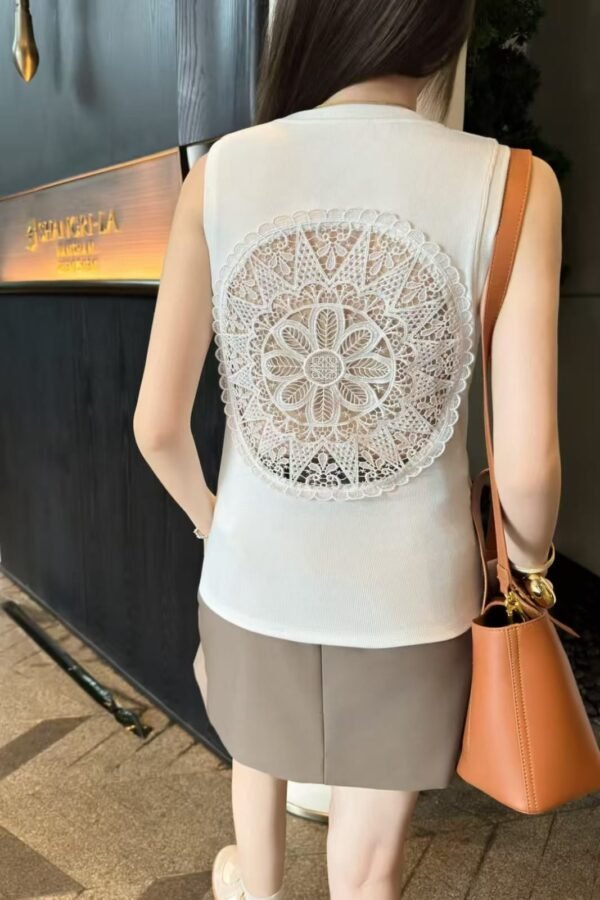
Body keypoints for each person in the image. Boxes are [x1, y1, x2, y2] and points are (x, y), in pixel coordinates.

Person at [133, 0, 562, 896]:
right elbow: (526, 471)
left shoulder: (220, 174)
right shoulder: (516, 186)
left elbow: (157, 427)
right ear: (446, 31)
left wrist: (215, 522)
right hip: (413, 602)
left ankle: (254, 881)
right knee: (367, 877)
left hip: (252, 578)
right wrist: (529, 566)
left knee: (257, 759)